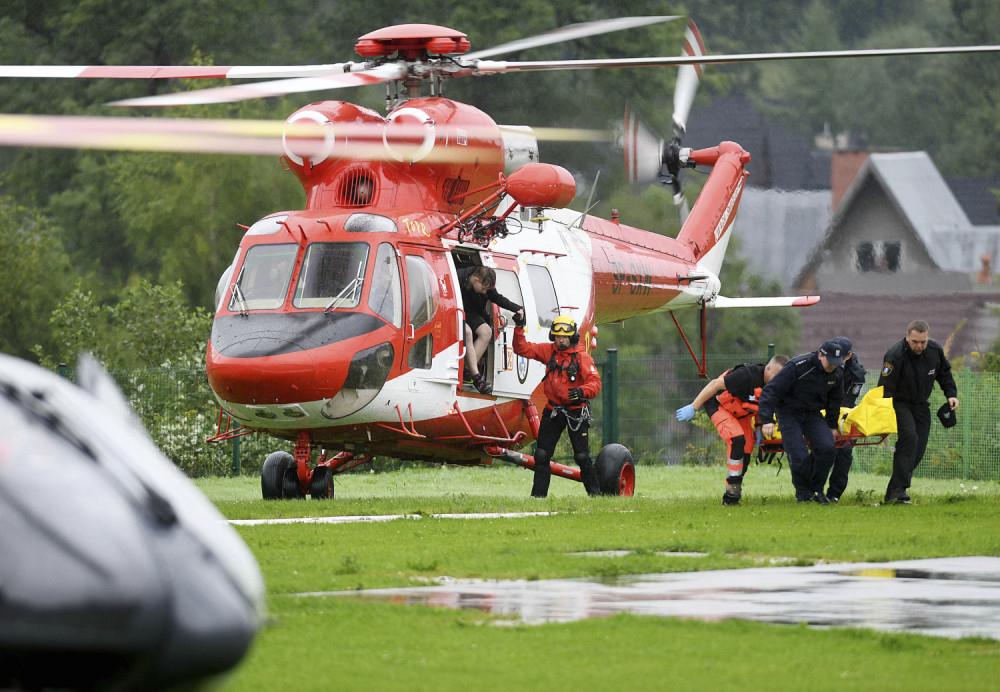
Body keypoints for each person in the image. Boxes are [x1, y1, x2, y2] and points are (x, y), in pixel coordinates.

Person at [675, 354, 789, 506]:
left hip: (741, 414)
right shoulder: (746, 375)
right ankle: (730, 496)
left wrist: (758, 427)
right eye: (776, 376)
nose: (778, 381)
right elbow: (714, 384)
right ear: (768, 369)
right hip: (719, 406)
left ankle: (734, 493)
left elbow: (761, 405)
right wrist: (693, 407)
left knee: (746, 451)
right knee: (737, 439)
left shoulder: (775, 386)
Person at [513, 314, 601, 497]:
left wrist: (582, 391)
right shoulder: (549, 351)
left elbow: (595, 383)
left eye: (564, 337)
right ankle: (538, 497)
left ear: (572, 337)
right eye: (557, 336)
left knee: (582, 457)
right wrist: (519, 328)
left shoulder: (582, 357)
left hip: (576, 412)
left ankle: (595, 495)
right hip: (553, 410)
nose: (560, 340)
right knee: (542, 455)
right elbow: (522, 348)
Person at [878, 320, 959, 504]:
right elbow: (885, 388)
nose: (919, 346)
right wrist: (884, 417)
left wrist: (951, 395)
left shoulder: (934, 350)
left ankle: (894, 491)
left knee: (919, 448)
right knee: (909, 438)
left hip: (921, 405)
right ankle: (899, 491)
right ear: (907, 336)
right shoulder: (895, 355)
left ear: (927, 337)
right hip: (899, 404)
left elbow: (944, 373)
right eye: (915, 342)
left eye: (923, 342)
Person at [757, 340, 845, 504]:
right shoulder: (798, 366)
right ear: (820, 355)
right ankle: (804, 495)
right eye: (831, 361)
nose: (833, 366)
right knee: (799, 455)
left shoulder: (837, 373)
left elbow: (835, 401)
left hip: (812, 414)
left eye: (836, 362)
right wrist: (767, 419)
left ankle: (817, 490)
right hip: (788, 413)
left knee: (827, 449)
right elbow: (771, 390)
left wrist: (832, 426)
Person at [457, 265, 523, 394]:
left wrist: (517, 308)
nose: (484, 292)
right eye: (483, 289)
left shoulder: (484, 284)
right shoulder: (457, 277)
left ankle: (467, 370)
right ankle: (476, 377)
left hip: (470, 312)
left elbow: (498, 298)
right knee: (467, 332)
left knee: (486, 332)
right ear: (475, 279)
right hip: (454, 309)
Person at [824, 336, 866, 502]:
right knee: (822, 450)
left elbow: (847, 402)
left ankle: (834, 494)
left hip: (844, 414)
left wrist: (834, 424)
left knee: (845, 451)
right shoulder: (821, 362)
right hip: (821, 410)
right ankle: (811, 490)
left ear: (848, 356)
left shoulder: (857, 374)